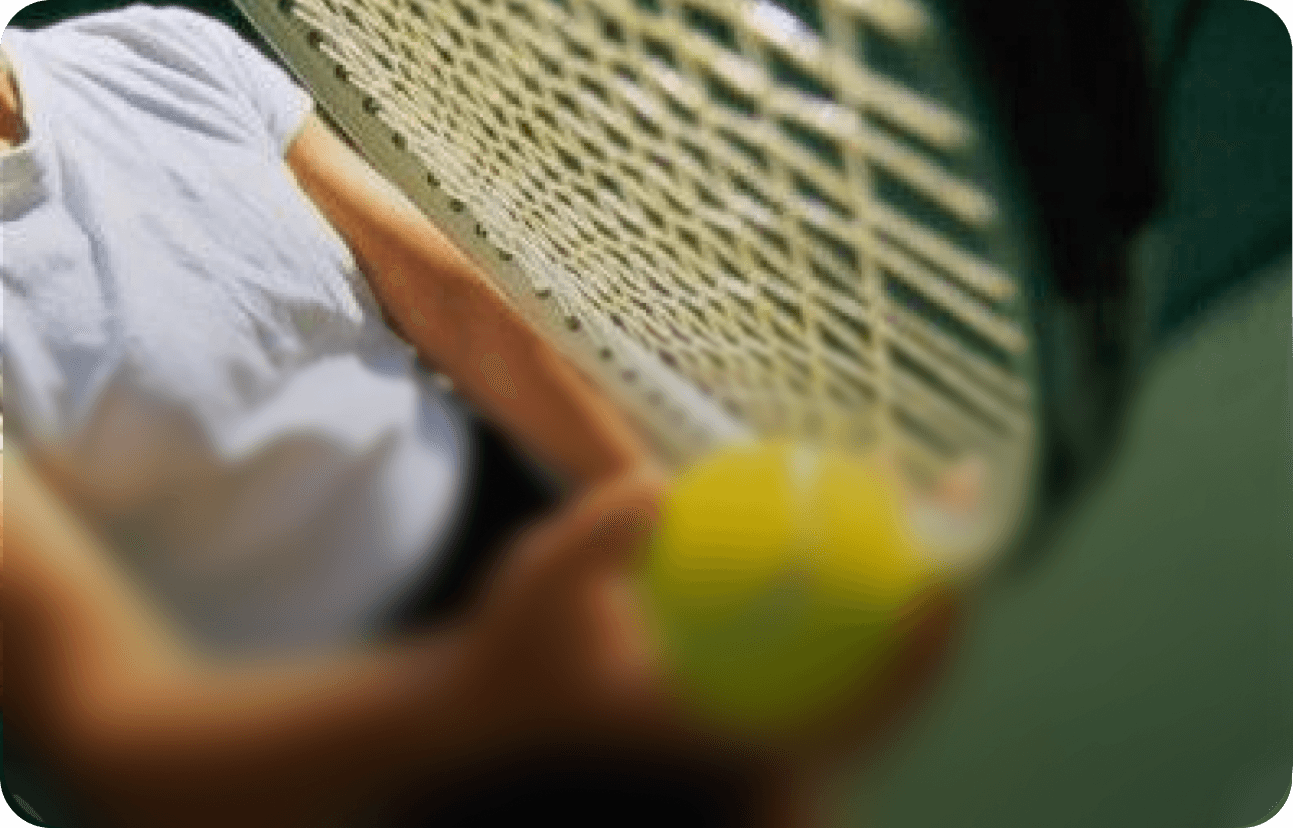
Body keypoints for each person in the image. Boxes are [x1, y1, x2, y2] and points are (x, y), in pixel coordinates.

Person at [1, 6, 959, 828]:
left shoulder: (162, 48)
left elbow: (454, 306)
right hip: (321, 759)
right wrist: (497, 694)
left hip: (521, 575)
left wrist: (652, 513)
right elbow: (117, 733)